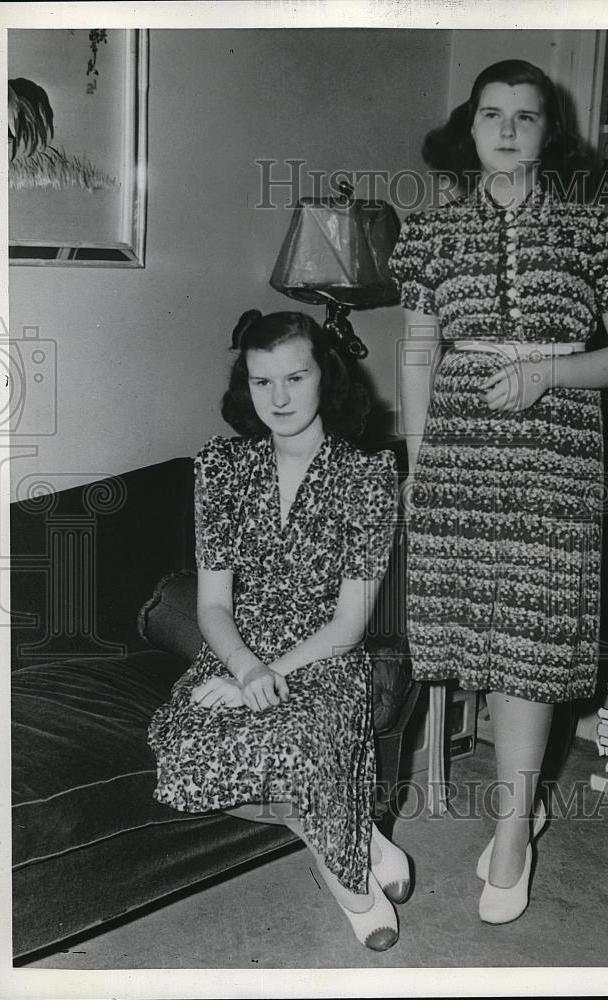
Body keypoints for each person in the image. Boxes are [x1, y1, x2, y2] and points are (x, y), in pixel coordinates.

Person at [389, 59, 608, 924]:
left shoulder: (592, 226)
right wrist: (421, 465)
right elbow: (418, 354)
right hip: (462, 455)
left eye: (528, 117)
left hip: (554, 453)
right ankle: (523, 803)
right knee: (483, 635)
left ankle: (512, 835)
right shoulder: (432, 232)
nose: (508, 130)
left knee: (531, 644)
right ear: (469, 129)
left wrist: (548, 374)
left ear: (550, 131)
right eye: (493, 115)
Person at [147, 310, 410, 951]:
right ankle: (357, 832)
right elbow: (212, 606)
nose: (281, 398)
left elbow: (349, 624)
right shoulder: (220, 468)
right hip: (239, 644)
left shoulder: (368, 477)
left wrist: (269, 678)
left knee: (303, 736)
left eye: (296, 376)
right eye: (263, 382)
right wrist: (244, 670)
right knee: (182, 763)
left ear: (328, 378)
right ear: (247, 386)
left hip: (325, 650)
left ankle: (346, 879)